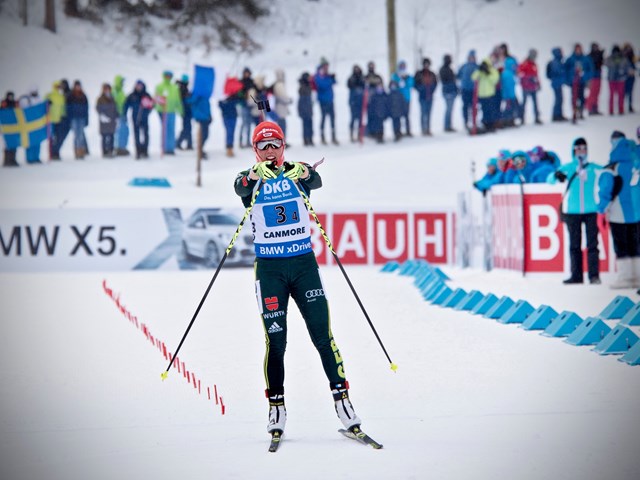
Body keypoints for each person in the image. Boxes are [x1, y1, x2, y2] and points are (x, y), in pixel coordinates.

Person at [233, 121, 362, 438]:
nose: (269, 151)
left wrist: (302, 173)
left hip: (304, 266)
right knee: (276, 343)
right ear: (255, 150)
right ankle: (276, 408)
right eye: (263, 146)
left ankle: (343, 402)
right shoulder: (252, 180)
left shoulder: (295, 170)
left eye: (274, 144)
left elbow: (313, 178)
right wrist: (252, 175)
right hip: (270, 270)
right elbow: (239, 186)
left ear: (283, 146)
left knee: (324, 336)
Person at [547, 137, 601, 284]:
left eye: (584, 148)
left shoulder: (593, 167)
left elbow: (607, 174)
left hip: (590, 210)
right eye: (578, 149)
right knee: (574, 245)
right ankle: (576, 275)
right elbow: (550, 179)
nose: (581, 152)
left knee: (592, 244)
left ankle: (594, 275)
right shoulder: (569, 167)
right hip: (572, 211)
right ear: (573, 151)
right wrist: (556, 175)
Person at [597, 131, 640, 289]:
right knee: (635, 243)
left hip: (618, 213)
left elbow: (605, 190)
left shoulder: (612, 168)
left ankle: (625, 277)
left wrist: (601, 210)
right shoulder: (635, 165)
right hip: (636, 213)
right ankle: (637, 276)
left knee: (621, 244)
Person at [154, 70, 183, 155]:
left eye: (169, 76)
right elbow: (156, 97)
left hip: (172, 110)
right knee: (165, 129)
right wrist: (160, 102)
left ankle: (170, 148)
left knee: (171, 129)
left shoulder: (174, 87)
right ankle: (164, 147)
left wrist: (180, 109)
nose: (168, 77)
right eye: (166, 75)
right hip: (162, 110)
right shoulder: (160, 86)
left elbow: (177, 99)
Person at [124, 80, 154, 159]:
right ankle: (138, 151)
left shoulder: (147, 95)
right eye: (137, 86)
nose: (139, 87)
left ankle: (145, 150)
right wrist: (125, 114)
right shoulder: (132, 95)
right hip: (135, 118)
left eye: (140, 86)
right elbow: (126, 105)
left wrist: (148, 110)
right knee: (136, 135)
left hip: (144, 118)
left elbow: (152, 105)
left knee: (145, 134)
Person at [565, 43, 594, 122]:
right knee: (574, 98)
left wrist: (586, 77)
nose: (578, 51)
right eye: (577, 49)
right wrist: (568, 79)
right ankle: (574, 112)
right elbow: (566, 70)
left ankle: (580, 112)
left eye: (579, 49)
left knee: (581, 97)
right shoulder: (570, 59)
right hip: (573, 82)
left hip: (581, 81)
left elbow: (590, 69)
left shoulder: (585, 59)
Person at [313, 58, 338, 145]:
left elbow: (335, 82)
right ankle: (322, 136)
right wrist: (330, 79)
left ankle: (333, 136)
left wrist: (332, 78)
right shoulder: (318, 76)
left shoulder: (327, 76)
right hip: (323, 101)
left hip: (330, 100)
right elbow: (322, 85)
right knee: (323, 118)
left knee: (332, 118)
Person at [471, 58, 500, 132]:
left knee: (490, 110)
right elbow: (473, 77)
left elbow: (495, 80)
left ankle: (491, 124)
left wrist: (488, 73)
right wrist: (479, 70)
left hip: (490, 94)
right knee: (484, 110)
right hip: (481, 94)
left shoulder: (493, 71)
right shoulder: (480, 72)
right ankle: (485, 123)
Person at [18, 86, 45, 164]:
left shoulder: (40, 99)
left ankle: (36, 157)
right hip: (29, 125)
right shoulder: (25, 100)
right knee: (29, 141)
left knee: (38, 141)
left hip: (38, 125)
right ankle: (29, 158)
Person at [414, 57, 438, 136]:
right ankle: (423, 129)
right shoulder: (419, 74)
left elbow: (435, 84)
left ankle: (428, 128)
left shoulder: (432, 74)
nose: (426, 65)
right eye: (425, 64)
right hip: (422, 97)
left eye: (428, 64)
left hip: (430, 96)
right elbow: (415, 85)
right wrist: (421, 88)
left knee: (429, 113)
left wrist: (431, 89)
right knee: (423, 113)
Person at [517, 49, 542, 125]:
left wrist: (538, 83)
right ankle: (522, 118)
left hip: (533, 87)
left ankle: (537, 117)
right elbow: (519, 73)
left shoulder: (534, 64)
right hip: (526, 87)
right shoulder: (524, 63)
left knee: (535, 103)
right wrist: (528, 78)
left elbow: (536, 75)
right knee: (524, 103)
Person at [66, 80, 89, 159]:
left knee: (81, 135)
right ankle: (77, 152)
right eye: (76, 86)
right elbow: (67, 109)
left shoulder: (83, 96)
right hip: (74, 118)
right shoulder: (70, 96)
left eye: (79, 86)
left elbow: (86, 109)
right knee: (76, 135)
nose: (78, 87)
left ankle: (81, 151)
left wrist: (86, 119)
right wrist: (69, 119)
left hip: (81, 118)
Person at [605, 45, 630, 115]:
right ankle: (611, 110)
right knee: (613, 95)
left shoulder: (623, 58)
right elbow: (605, 63)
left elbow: (628, 67)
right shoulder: (611, 58)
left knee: (620, 95)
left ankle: (620, 109)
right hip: (612, 79)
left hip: (620, 79)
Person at [457, 50, 478, 131]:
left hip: (473, 90)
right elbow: (458, 75)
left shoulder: (476, 66)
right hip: (465, 90)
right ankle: (466, 121)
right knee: (465, 107)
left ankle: (474, 121)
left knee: (473, 107)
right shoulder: (464, 66)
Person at [96, 83, 118, 158]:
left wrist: (117, 116)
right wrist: (102, 116)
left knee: (111, 136)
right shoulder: (100, 99)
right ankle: (104, 151)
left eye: (108, 89)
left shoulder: (112, 98)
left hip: (112, 120)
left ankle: (111, 150)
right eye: (106, 89)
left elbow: (115, 109)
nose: (107, 91)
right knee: (104, 136)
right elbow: (98, 108)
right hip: (104, 121)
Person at [45, 81, 65, 160]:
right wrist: (47, 103)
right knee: (51, 138)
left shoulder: (61, 97)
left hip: (59, 120)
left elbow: (62, 108)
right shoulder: (49, 95)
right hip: (51, 120)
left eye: (59, 87)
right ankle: (51, 153)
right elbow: (43, 106)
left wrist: (63, 116)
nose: (58, 88)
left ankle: (56, 152)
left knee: (58, 138)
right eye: (57, 86)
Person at [547, 47, 568, 122]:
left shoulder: (558, 61)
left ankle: (559, 114)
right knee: (558, 99)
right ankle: (556, 115)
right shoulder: (556, 62)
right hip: (556, 83)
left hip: (558, 83)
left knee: (560, 99)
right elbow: (558, 72)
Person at [439, 54, 458, 132]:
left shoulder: (449, 69)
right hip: (448, 92)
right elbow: (447, 81)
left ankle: (448, 125)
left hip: (451, 91)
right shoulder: (444, 69)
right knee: (449, 109)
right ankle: (447, 126)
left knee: (450, 109)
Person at [190, 92, 212, 159]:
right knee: (203, 135)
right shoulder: (196, 96)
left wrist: (209, 115)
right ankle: (200, 150)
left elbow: (208, 107)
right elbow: (190, 101)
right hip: (200, 118)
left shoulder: (205, 97)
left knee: (205, 135)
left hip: (206, 118)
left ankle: (201, 148)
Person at [272, 69, 292, 138]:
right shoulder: (279, 85)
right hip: (281, 109)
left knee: (281, 125)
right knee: (282, 126)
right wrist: (289, 100)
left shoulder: (276, 84)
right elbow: (283, 97)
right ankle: (282, 140)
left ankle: (282, 140)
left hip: (280, 108)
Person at [347, 65, 365, 142]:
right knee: (353, 118)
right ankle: (351, 135)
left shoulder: (362, 78)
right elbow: (349, 85)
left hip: (361, 101)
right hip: (353, 101)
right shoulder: (351, 78)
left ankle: (359, 134)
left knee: (361, 119)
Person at [238, 67, 256, 148]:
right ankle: (240, 141)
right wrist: (244, 94)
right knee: (244, 123)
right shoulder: (241, 82)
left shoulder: (252, 82)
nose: (247, 74)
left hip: (251, 105)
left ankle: (248, 141)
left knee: (249, 124)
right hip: (244, 105)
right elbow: (239, 94)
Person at [113, 75, 130, 156]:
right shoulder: (114, 91)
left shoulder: (121, 91)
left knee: (125, 130)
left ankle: (122, 147)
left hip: (123, 113)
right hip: (117, 114)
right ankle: (119, 147)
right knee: (120, 131)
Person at [1, 91, 18, 167]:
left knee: (14, 143)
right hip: (6, 127)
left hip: (14, 127)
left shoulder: (15, 103)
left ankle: (13, 159)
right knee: (7, 144)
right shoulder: (4, 103)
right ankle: (7, 160)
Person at [586, 42, 604, 115]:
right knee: (592, 93)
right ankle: (590, 108)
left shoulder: (599, 55)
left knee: (597, 93)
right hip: (592, 77)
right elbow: (590, 65)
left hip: (598, 76)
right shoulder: (589, 56)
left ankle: (595, 108)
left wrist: (601, 56)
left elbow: (600, 63)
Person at [176, 74, 193, 150]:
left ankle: (189, 143)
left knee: (188, 127)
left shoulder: (182, 88)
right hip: (185, 110)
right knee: (186, 128)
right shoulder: (181, 88)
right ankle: (178, 142)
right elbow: (182, 100)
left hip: (186, 111)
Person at [297, 72, 314, 146]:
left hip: (308, 108)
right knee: (306, 125)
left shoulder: (307, 85)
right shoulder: (303, 87)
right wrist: (301, 111)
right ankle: (306, 139)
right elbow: (301, 101)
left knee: (309, 125)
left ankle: (309, 138)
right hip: (305, 110)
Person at [622, 43, 637, 113]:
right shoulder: (623, 56)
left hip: (631, 77)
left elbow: (634, 64)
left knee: (630, 92)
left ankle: (629, 106)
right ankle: (622, 106)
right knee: (624, 92)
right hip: (625, 77)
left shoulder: (632, 56)